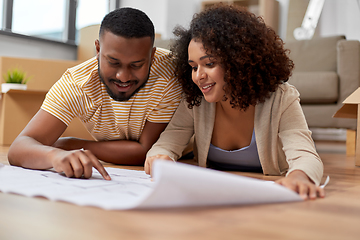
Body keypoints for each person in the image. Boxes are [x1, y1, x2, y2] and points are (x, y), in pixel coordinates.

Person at [145, 4, 325, 200]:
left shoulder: (281, 99)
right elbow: (167, 143)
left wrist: (299, 176)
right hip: (212, 200)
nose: (198, 76)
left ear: (238, 60)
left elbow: (305, 155)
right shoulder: (197, 101)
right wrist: (160, 158)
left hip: (265, 204)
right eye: (193, 67)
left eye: (209, 64)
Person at [8, 7, 182, 180]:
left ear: (152, 56)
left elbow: (146, 150)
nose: (123, 76)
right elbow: (18, 148)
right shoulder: (76, 84)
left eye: (136, 65)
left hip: (184, 161)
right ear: (98, 50)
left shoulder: (169, 73)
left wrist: (72, 144)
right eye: (113, 62)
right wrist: (54, 156)